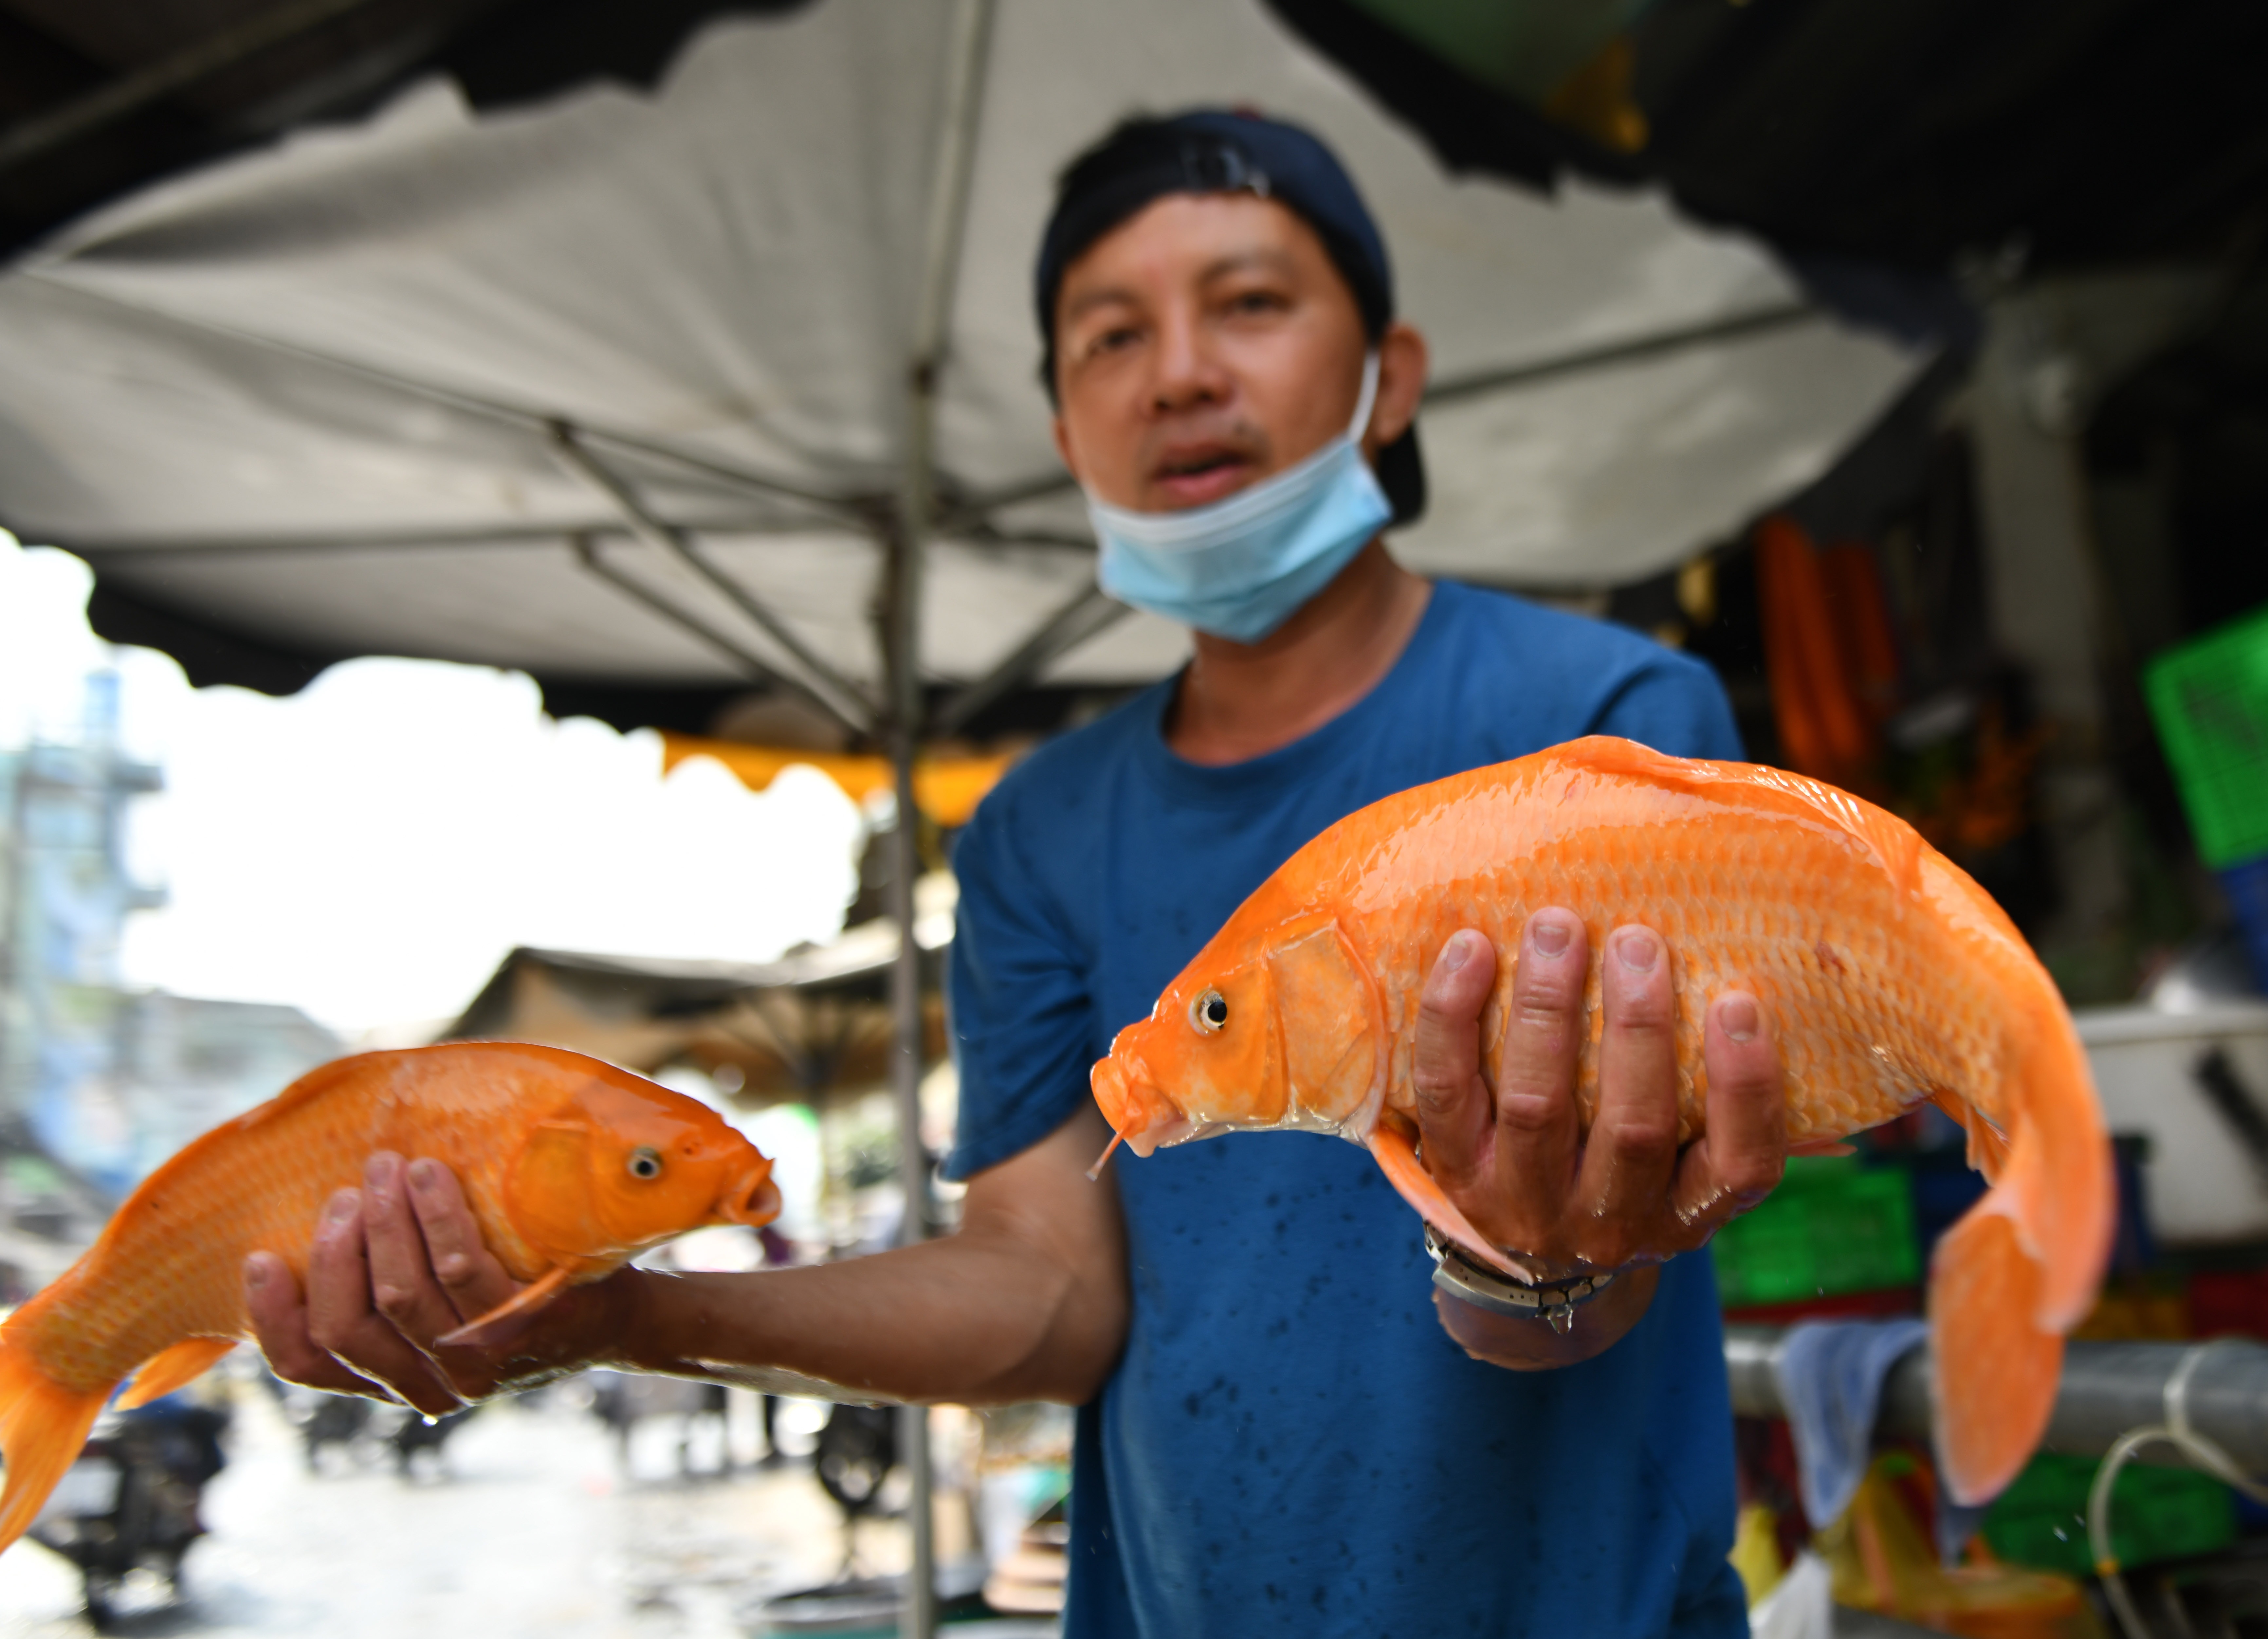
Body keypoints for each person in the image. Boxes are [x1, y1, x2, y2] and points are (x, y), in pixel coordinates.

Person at [246, 109, 1788, 1636]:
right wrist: (628, 1312)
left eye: (1249, 302)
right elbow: (1050, 1290)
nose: (1177, 374)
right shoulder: (1036, 830)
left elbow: (1627, 1250)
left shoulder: (1610, 725)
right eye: (1110, 337)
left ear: (1389, 379)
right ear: (1067, 437)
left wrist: (1536, 1264)